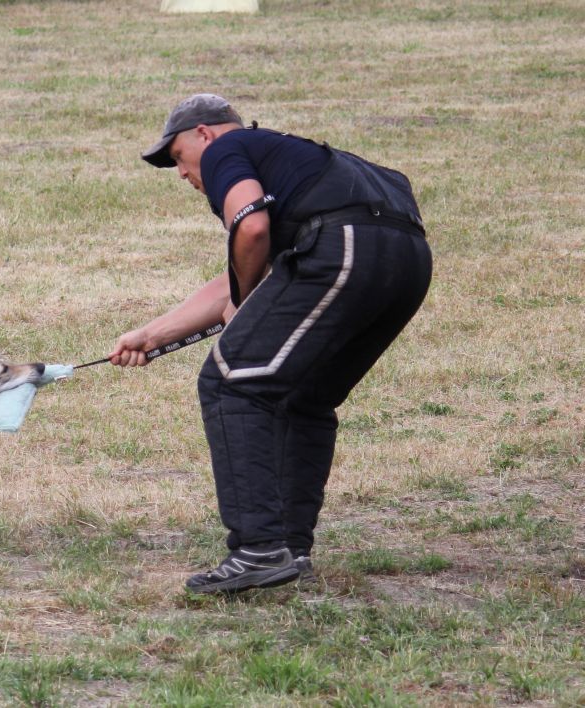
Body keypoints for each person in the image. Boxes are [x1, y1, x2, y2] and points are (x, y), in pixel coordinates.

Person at [108, 94, 432, 594]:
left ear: (204, 134)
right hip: (405, 261)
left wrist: (244, 298)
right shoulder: (302, 167)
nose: (182, 174)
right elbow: (248, 268)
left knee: (231, 382)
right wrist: (151, 335)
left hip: (344, 247)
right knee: (304, 397)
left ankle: (257, 549)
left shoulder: (226, 149)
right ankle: (289, 548)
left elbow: (251, 226)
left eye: (177, 158)